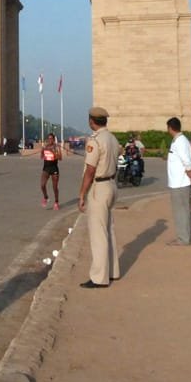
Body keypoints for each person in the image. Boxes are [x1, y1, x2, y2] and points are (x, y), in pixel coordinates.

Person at [77, 107, 121, 288]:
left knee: (98, 234)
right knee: (108, 230)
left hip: (99, 187)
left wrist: (82, 194)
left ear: (91, 121)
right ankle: (112, 271)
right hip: (111, 185)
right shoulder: (112, 139)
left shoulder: (95, 141)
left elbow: (90, 170)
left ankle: (99, 277)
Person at [166, 116, 191, 246]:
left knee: (181, 212)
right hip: (177, 182)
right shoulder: (178, 140)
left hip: (180, 182)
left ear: (170, 128)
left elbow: (186, 162)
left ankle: (183, 239)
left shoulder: (180, 141)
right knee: (180, 211)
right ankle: (184, 237)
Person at [40, 132, 62, 209]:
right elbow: (42, 156)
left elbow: (60, 158)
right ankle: (46, 197)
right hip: (46, 168)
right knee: (42, 185)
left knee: (55, 187)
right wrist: (42, 150)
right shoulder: (45, 146)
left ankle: (56, 202)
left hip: (54, 168)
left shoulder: (56, 147)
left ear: (54, 139)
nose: (50, 140)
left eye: (51, 138)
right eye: (49, 138)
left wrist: (53, 151)